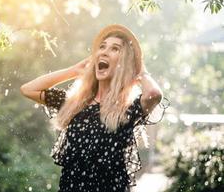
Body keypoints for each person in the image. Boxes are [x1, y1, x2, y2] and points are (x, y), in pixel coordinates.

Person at [20, 24, 168, 192]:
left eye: (115, 49)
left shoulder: (127, 109)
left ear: (124, 62)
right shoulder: (74, 103)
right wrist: (73, 70)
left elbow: (154, 94)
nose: (104, 52)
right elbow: (28, 89)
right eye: (102, 47)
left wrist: (138, 68)